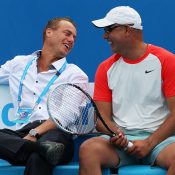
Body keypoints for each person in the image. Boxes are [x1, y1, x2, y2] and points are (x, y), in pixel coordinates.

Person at [79, 6, 175, 175]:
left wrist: (149, 143)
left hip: (162, 141)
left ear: (127, 30)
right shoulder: (105, 68)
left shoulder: (167, 60)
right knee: (89, 150)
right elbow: (102, 117)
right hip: (121, 143)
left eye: (109, 29)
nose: (105, 36)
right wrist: (117, 134)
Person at [0, 17, 88, 175]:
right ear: (49, 32)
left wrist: (35, 134)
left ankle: (37, 148)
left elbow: (64, 116)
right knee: (41, 153)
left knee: (38, 157)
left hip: (57, 134)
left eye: (74, 37)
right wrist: (31, 137)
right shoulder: (18, 63)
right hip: (24, 133)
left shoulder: (75, 74)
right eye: (67, 34)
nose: (71, 40)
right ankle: (40, 148)